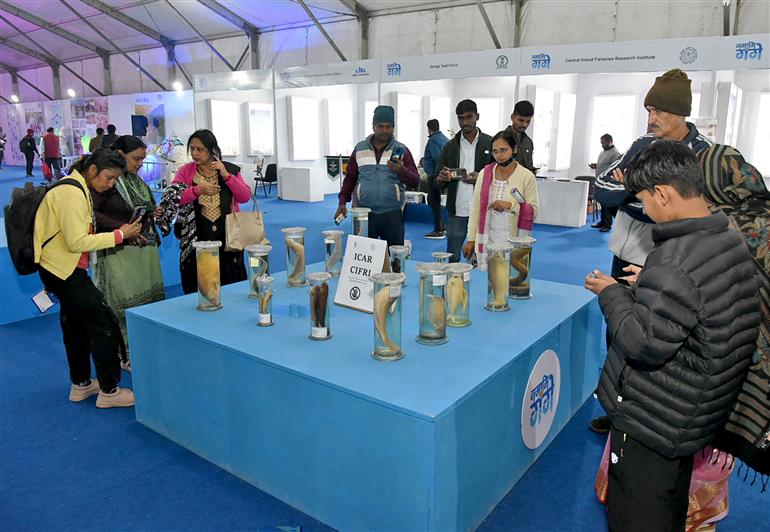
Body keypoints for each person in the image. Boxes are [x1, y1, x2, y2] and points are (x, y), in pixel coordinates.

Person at [585, 141, 759, 532]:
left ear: (663, 193)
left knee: (638, 515)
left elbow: (641, 342)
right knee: (668, 507)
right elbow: (702, 307)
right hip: (691, 414)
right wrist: (650, 284)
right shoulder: (727, 238)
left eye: (644, 199)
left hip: (654, 419)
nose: (644, 209)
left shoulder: (675, 260)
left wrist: (611, 293)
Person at [589, 68, 712, 435]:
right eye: (649, 110)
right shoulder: (643, 145)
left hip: (665, 260)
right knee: (617, 326)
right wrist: (640, 195)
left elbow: (687, 211)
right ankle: (616, 407)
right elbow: (603, 190)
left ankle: (643, 413)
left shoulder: (700, 153)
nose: (652, 118)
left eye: (659, 111)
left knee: (654, 339)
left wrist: (630, 190)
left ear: (681, 114)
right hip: (626, 250)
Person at [34, 149, 143, 408]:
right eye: (109, 178)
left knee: (75, 326)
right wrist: (120, 235)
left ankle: (81, 384)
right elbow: (77, 242)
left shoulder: (74, 188)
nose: (110, 184)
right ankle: (109, 390)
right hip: (64, 270)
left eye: (115, 179)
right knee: (102, 324)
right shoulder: (71, 192)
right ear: (92, 170)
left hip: (60, 268)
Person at [92, 136, 165, 364]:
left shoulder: (135, 180)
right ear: (121, 154)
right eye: (137, 159)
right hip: (119, 253)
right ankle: (125, 354)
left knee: (147, 304)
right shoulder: (107, 181)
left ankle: (143, 347)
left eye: (143, 159)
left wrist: (153, 214)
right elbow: (92, 214)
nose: (140, 164)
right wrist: (123, 230)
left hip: (143, 252)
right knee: (123, 304)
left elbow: (145, 208)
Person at [172, 129, 251, 294]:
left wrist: (226, 175)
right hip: (197, 235)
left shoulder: (230, 169)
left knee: (230, 281)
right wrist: (196, 190)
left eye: (199, 149)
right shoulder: (185, 172)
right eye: (192, 149)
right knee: (198, 282)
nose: (194, 153)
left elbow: (244, 197)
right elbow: (175, 198)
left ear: (211, 149)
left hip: (227, 234)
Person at [335, 105, 419, 247]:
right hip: (364, 213)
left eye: (388, 126)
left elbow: (415, 181)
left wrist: (401, 170)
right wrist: (342, 202)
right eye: (380, 126)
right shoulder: (360, 148)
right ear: (373, 126)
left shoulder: (402, 150)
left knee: (394, 260)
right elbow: (350, 178)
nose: (384, 130)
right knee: (364, 257)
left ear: (393, 127)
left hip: (393, 213)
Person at [463, 129, 539, 265]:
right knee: (487, 280)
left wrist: (510, 205)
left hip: (514, 239)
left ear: (514, 149)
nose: (499, 155)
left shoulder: (527, 177)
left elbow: (534, 211)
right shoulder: (484, 174)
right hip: (487, 239)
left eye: (503, 150)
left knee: (511, 281)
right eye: (495, 151)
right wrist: (471, 239)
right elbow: (475, 209)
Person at [435, 99, 494, 261]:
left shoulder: (491, 143)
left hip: (484, 210)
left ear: (477, 116)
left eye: (469, 117)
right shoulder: (449, 147)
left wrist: (480, 178)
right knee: (453, 258)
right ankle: (453, 285)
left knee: (482, 259)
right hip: (457, 211)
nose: (465, 122)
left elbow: (499, 176)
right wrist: (441, 178)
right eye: (461, 118)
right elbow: (437, 179)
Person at [423, 118, 449, 239]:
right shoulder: (445, 138)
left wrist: (437, 174)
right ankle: (442, 226)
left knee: (433, 201)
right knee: (436, 201)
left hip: (434, 175)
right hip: (443, 175)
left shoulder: (432, 140)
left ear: (429, 128)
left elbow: (437, 157)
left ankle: (438, 229)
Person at [590, 134, 621, 231]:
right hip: (600, 182)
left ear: (610, 141)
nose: (602, 145)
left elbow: (615, 168)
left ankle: (607, 225)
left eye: (603, 143)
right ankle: (602, 222)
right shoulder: (602, 152)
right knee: (602, 203)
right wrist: (596, 166)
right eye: (601, 143)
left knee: (607, 204)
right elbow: (603, 165)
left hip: (608, 183)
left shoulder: (615, 153)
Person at [506, 100, 536, 173]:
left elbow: (529, 165)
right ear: (512, 117)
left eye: (528, 121)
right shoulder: (502, 138)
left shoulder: (528, 142)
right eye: (521, 120)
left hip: (525, 182)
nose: (524, 125)